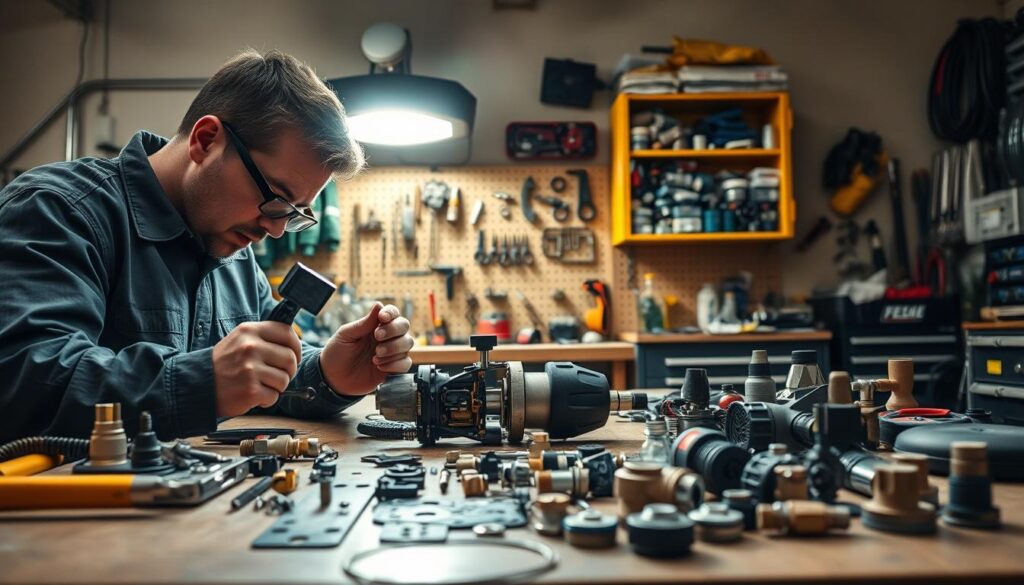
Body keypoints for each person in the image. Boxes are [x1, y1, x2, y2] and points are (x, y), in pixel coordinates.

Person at [0, 50, 413, 442]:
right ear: (206, 139)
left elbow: (252, 373)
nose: (273, 229)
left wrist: (327, 373)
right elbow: (27, 384)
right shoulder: (58, 211)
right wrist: (203, 382)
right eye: (275, 196)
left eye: (294, 213)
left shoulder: (232, 250)